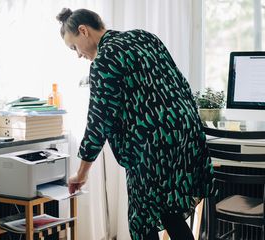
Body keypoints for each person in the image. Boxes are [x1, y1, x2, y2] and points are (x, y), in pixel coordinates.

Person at [56, 8, 215, 240]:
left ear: (83, 31)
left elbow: (98, 122)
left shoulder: (104, 59)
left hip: (153, 142)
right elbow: (179, 82)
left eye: (74, 47)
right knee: (168, 210)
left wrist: (81, 173)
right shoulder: (144, 36)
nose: (78, 55)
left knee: (142, 221)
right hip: (186, 131)